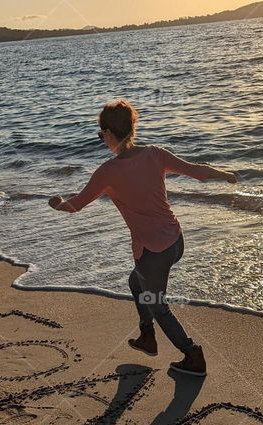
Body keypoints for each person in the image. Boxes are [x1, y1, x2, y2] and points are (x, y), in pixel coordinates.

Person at [48, 99, 237, 377]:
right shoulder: (155, 154)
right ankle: (147, 336)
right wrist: (226, 175)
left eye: (101, 135)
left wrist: (57, 203)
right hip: (175, 241)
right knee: (135, 282)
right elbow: (198, 171)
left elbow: (76, 205)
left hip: (153, 253)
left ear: (110, 134)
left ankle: (192, 355)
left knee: (157, 305)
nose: (102, 140)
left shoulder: (107, 172)